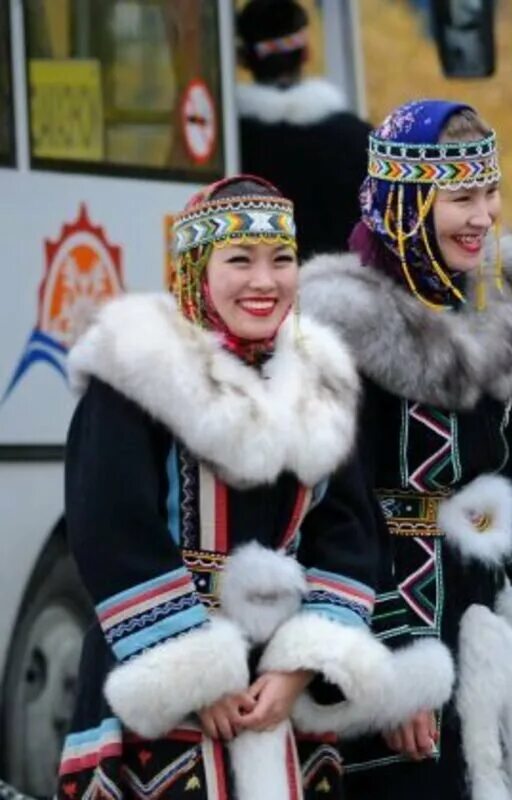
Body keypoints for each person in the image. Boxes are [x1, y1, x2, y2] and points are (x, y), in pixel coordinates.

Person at [57, 176, 392, 798]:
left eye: (282, 260)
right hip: (158, 675)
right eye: (239, 261)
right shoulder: (134, 378)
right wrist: (197, 673)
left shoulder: (319, 383)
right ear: (195, 269)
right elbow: (109, 530)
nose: (264, 282)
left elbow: (350, 533)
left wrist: (299, 664)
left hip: (279, 689)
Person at [300, 99, 512, 798]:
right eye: (461, 198)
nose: (484, 217)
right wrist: (397, 666)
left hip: (473, 619)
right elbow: (333, 509)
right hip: (377, 627)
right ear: (404, 205)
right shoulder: (340, 333)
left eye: (491, 193)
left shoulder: (490, 319)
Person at [236, 0, 371, 258]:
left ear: (244, 60)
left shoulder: (228, 144)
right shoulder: (357, 139)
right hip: (338, 291)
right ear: (306, 53)